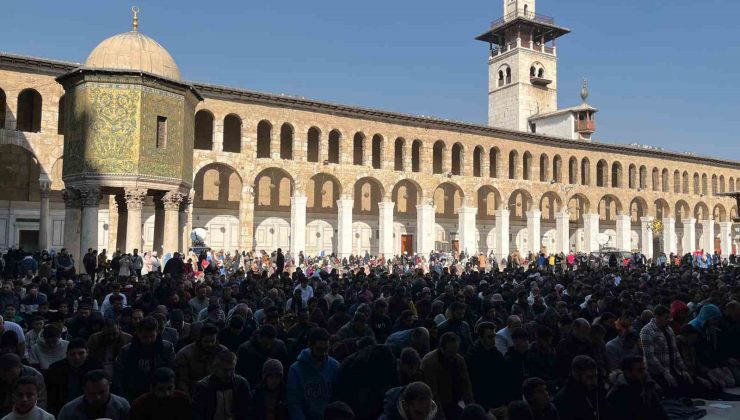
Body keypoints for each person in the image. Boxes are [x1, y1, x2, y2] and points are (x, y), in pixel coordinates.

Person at [114, 316, 176, 401]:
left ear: (157, 333)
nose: (149, 340)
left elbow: (173, 370)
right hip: (134, 391)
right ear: (138, 334)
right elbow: (119, 375)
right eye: (145, 337)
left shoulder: (167, 348)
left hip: (161, 390)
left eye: (152, 336)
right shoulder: (127, 351)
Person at [287, 328, 339, 420]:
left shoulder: (334, 366)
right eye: (319, 349)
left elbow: (338, 398)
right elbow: (294, 403)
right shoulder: (295, 370)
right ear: (310, 345)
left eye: (326, 349)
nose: (323, 354)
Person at [639, 304, 692, 397]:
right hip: (658, 372)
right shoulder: (647, 331)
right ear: (657, 317)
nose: (669, 320)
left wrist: (683, 369)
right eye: (666, 318)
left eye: (669, 318)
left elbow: (675, 350)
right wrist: (664, 372)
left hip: (673, 368)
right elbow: (649, 356)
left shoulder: (668, 329)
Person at [421, 332, 474, 420]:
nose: (453, 355)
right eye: (450, 352)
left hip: (455, 402)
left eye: (455, 351)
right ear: (441, 348)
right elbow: (433, 393)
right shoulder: (429, 363)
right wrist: (441, 417)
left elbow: (467, 386)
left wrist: (472, 410)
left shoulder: (459, 360)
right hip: (435, 405)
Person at [46, 338, 103, 415]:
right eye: (72, 354)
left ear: (87, 353)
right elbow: (51, 397)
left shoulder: (95, 367)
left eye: (81, 353)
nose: (77, 358)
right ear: (67, 354)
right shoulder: (56, 369)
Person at [191, 350, 252, 420]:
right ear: (215, 368)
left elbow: (247, 411)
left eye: (232, 370)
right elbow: (199, 414)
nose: (229, 374)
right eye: (225, 370)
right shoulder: (203, 387)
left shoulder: (241, 384)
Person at [606, 355, 668, 420]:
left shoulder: (646, 385)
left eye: (644, 369)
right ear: (627, 372)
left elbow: (659, 411)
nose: (644, 373)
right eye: (639, 370)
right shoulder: (617, 392)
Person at [175, 323, 228, 395]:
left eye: (213, 341)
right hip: (195, 394)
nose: (210, 344)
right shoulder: (185, 354)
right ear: (199, 340)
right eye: (206, 341)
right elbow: (183, 381)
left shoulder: (223, 352)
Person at [465, 321, 508, 411]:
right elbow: (476, 382)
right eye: (490, 337)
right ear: (480, 337)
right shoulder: (473, 355)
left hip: (496, 398)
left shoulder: (495, 353)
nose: (493, 340)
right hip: (483, 401)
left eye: (494, 336)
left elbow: (503, 376)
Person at [57, 370, 130, 420]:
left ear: (109, 386)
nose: (98, 397)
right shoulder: (69, 411)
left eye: (102, 392)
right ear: (84, 389)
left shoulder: (122, 406)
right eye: (92, 393)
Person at [553, 356, 605, 420]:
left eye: (596, 376)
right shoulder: (564, 399)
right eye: (589, 377)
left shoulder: (597, 390)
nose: (595, 381)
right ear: (576, 376)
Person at [378, 381, 443, 420]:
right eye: (419, 413)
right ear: (405, 405)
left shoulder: (434, 416)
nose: (424, 418)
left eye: (427, 412)